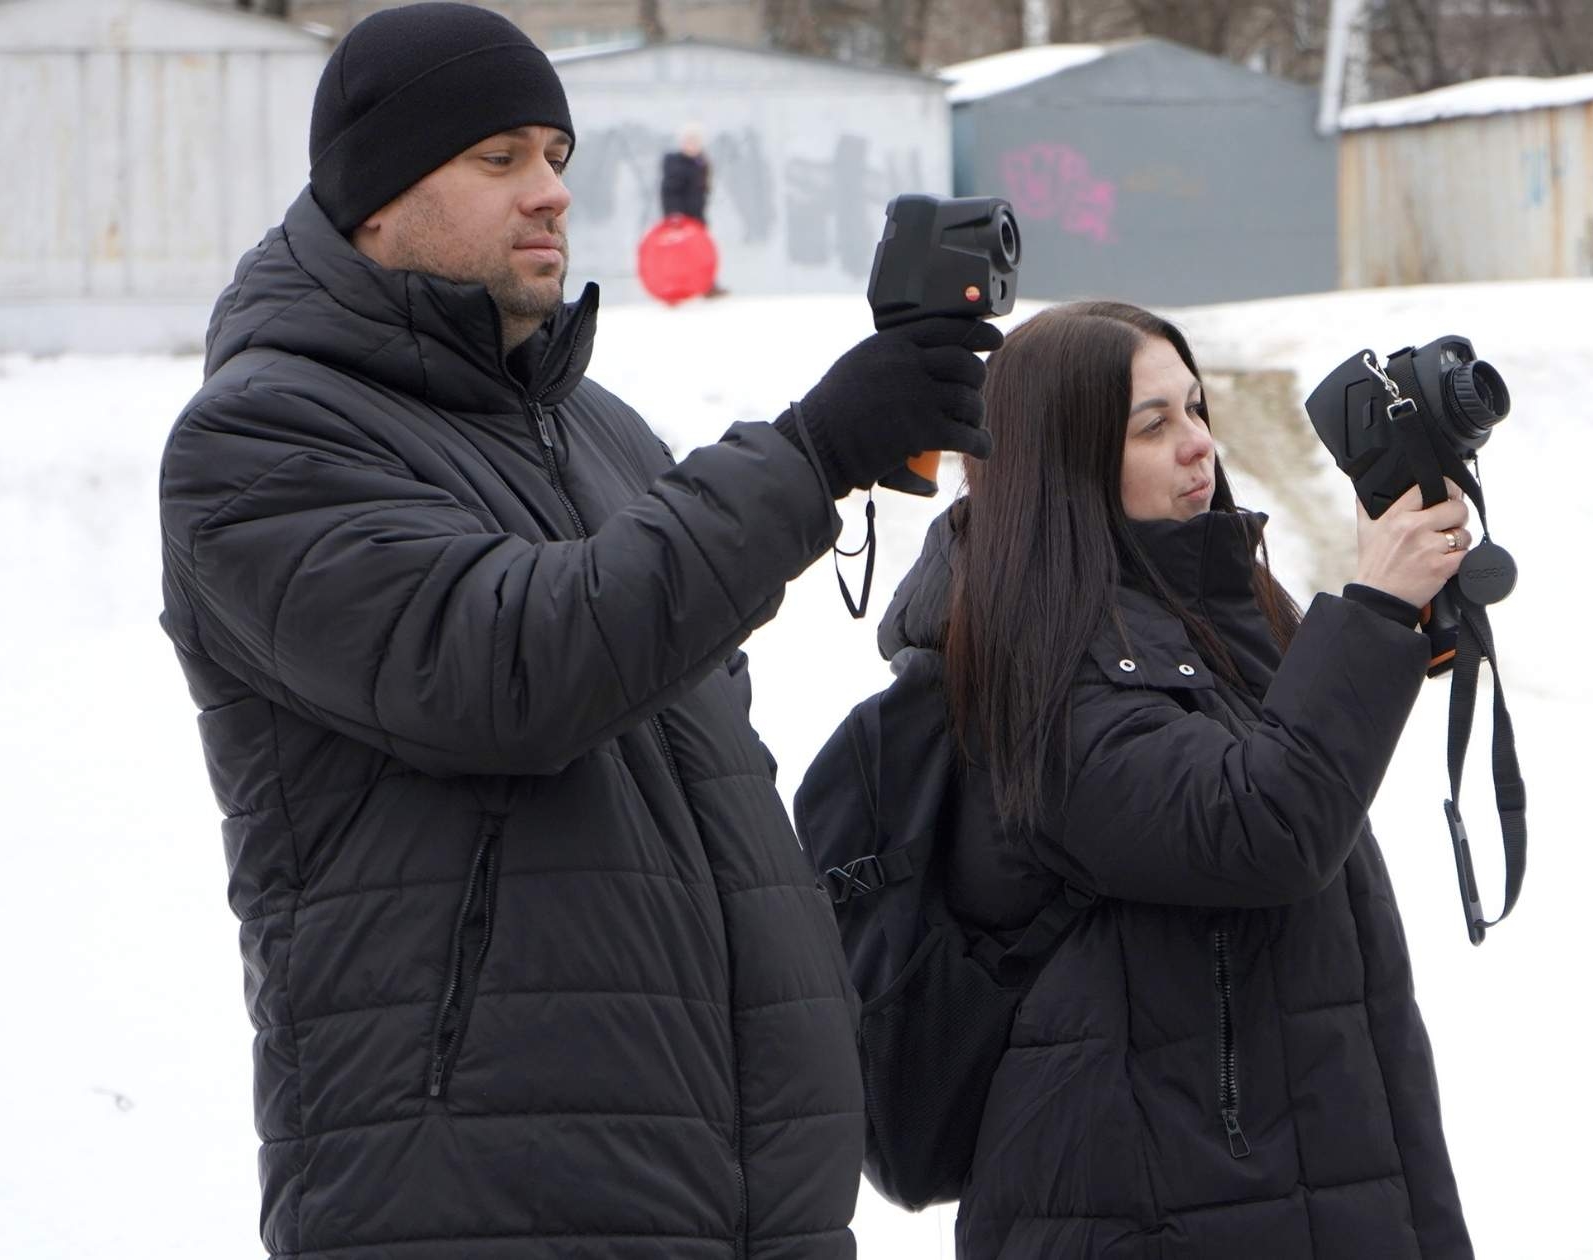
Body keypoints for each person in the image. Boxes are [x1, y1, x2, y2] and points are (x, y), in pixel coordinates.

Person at [155, 6, 999, 1258]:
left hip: (736, 1191)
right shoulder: (259, 441)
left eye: (555, 155)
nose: (549, 192)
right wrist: (813, 455)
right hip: (475, 1192)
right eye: (498, 160)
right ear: (372, 199)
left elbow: (700, 764)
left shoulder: (598, 428)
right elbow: (508, 670)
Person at [868, 301, 1476, 1258]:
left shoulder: (1200, 616)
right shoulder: (1029, 673)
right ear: (1059, 460)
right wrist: (1372, 607)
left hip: (1285, 1186)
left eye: (1196, 409)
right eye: (1153, 426)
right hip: (1149, 1208)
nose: (1200, 446)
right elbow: (1264, 826)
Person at [661, 127, 712, 224]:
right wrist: (674, 214)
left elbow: (702, 193)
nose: (692, 144)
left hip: (696, 220)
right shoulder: (674, 164)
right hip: (678, 220)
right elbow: (670, 191)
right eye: (689, 140)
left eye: (696, 140)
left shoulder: (701, 164)